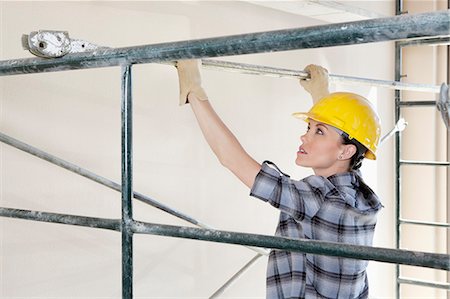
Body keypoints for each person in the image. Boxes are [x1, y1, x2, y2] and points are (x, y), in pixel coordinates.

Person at [175, 60, 383, 299]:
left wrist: (195, 91)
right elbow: (343, 140)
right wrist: (320, 94)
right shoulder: (358, 193)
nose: (304, 137)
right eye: (309, 127)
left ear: (346, 152)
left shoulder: (319, 199)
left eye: (318, 131)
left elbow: (233, 159)